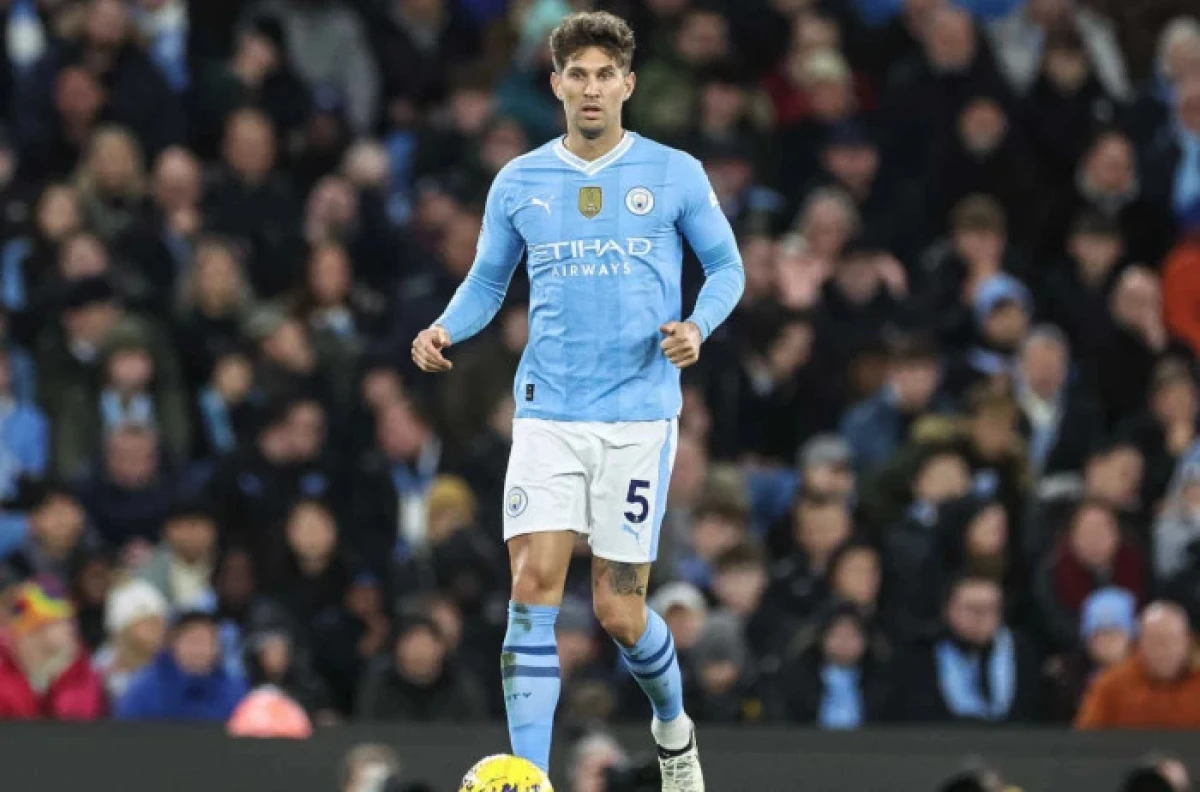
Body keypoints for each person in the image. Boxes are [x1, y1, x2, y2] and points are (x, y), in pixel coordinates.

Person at [410, 11, 745, 789]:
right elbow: (488, 282)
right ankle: (530, 775)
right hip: (548, 414)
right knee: (532, 586)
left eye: (605, 75)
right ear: (557, 84)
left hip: (637, 417)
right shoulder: (520, 181)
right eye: (577, 75)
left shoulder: (674, 173)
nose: (591, 88)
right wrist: (444, 327)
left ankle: (673, 728)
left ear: (627, 85)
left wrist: (697, 327)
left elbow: (727, 268)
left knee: (619, 612)